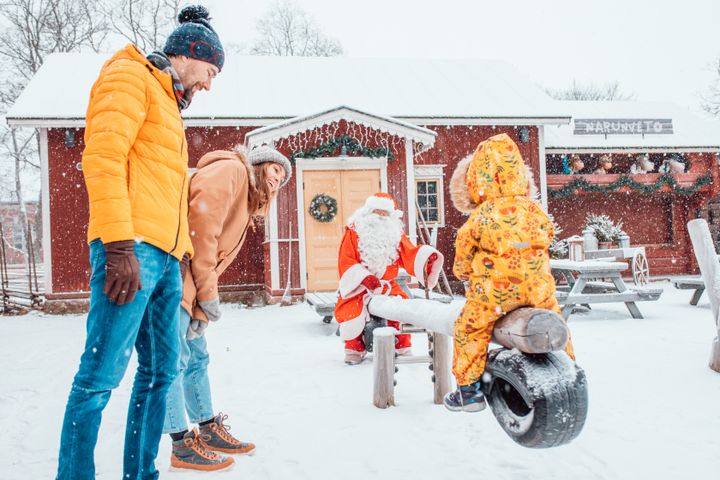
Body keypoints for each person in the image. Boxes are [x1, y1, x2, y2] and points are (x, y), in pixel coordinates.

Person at [57, 5, 224, 479]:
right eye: (210, 72)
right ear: (189, 56)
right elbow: (103, 158)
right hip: (130, 251)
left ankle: (141, 472)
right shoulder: (129, 76)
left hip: (166, 260)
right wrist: (117, 246)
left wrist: (183, 260)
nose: (209, 84)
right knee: (99, 378)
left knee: (159, 376)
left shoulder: (168, 102)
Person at [164, 145, 291, 471]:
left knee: (196, 357)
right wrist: (206, 295)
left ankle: (207, 428)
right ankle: (181, 443)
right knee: (173, 360)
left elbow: (212, 259)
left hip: (190, 284)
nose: (277, 181)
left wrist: (202, 310)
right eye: (274, 171)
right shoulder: (233, 170)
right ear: (259, 166)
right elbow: (200, 227)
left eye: (282, 179)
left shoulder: (245, 202)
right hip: (173, 273)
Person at [444, 133, 575, 412]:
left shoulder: (480, 216)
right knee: (556, 320)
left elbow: (463, 256)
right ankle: (569, 374)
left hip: (495, 292)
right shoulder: (534, 210)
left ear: (477, 179)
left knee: (470, 328)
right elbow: (548, 234)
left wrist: (464, 272)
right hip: (538, 288)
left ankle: (468, 392)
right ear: (519, 174)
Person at [334, 192, 444, 365]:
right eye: (378, 212)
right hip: (359, 287)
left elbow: (409, 254)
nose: (381, 217)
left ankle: (402, 346)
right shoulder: (354, 231)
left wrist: (426, 259)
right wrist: (364, 278)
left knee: (402, 305)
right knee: (352, 311)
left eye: (385, 213)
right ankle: (354, 349)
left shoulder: (395, 234)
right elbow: (345, 260)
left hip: (388, 286)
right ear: (369, 212)